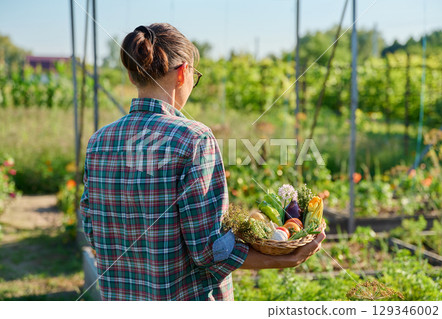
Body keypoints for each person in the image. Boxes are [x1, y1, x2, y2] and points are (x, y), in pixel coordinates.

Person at [80, 23, 326, 301]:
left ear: (131, 73)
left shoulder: (99, 141)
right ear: (183, 73)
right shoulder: (193, 138)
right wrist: (282, 259)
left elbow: (92, 229)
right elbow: (208, 251)